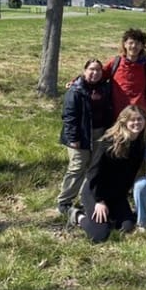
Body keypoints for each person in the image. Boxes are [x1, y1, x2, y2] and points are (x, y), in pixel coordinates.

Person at [73, 105, 146, 243]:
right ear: (124, 122)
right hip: (95, 191)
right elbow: (93, 173)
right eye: (132, 120)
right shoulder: (109, 142)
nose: (137, 123)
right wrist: (99, 201)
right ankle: (78, 215)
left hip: (116, 195)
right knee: (99, 235)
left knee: (127, 226)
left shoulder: (140, 144)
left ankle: (108, 216)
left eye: (140, 119)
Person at [57, 58, 113, 216]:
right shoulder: (76, 90)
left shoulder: (105, 88)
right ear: (84, 71)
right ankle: (64, 201)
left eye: (98, 70)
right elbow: (69, 117)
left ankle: (87, 198)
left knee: (94, 168)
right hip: (81, 135)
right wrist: (73, 138)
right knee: (77, 167)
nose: (94, 73)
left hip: (100, 133)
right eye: (91, 69)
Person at [102, 28, 146, 121]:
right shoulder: (116, 63)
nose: (134, 46)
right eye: (131, 42)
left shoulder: (145, 65)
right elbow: (97, 75)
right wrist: (77, 81)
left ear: (142, 46)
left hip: (139, 115)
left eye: (138, 43)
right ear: (125, 44)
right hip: (118, 115)